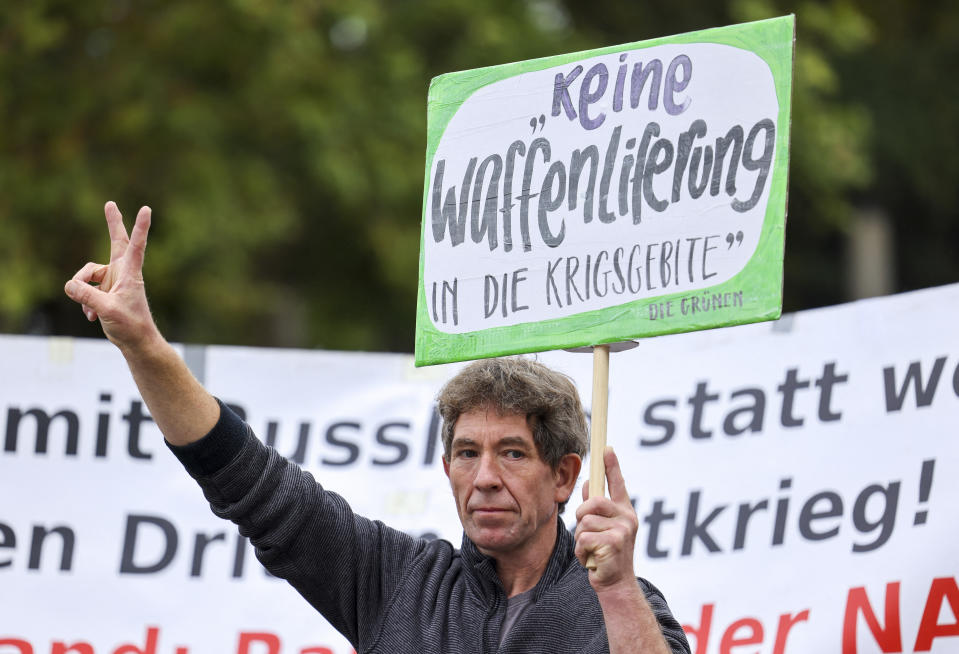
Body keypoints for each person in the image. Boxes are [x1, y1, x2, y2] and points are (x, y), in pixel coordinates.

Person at [64, 202, 691, 654]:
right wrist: (144, 346)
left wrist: (615, 592)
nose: (485, 478)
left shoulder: (620, 601)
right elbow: (250, 482)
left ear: (565, 476)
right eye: (467, 453)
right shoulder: (399, 583)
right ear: (447, 470)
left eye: (513, 453)